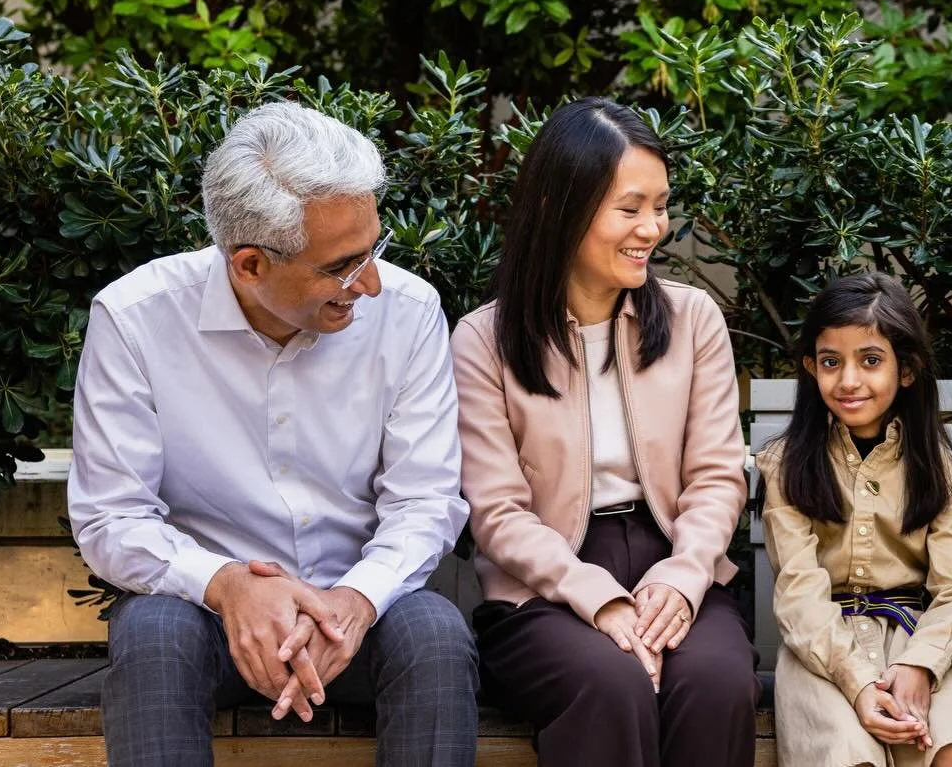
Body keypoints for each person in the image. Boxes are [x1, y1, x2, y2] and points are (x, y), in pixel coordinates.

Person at [67, 102, 479, 767]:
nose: (370, 282)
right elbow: (112, 515)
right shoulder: (135, 318)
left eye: (374, 249)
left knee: (433, 631)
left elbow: (425, 500)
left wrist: (356, 598)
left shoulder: (408, 312)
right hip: (211, 621)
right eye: (342, 266)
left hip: (359, 613)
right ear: (250, 265)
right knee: (151, 633)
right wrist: (229, 584)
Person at [451, 97, 758, 767]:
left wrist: (680, 579)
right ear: (560, 210)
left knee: (716, 683)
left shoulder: (692, 318)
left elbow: (716, 476)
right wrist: (601, 599)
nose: (652, 227)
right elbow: (497, 513)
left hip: (676, 561)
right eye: (630, 208)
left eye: (661, 205)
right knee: (609, 680)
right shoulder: (485, 339)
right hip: (544, 586)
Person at [756, 272, 952, 767]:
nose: (848, 380)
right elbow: (799, 596)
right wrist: (860, 682)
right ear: (810, 368)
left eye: (870, 360)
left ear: (905, 370)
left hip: (921, 639)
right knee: (851, 755)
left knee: (950, 751)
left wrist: (920, 666)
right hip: (824, 649)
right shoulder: (788, 465)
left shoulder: (936, 465)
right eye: (830, 362)